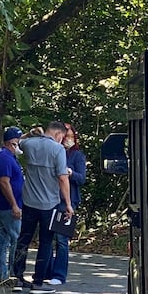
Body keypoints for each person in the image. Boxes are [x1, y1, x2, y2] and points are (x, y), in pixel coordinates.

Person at [11, 121, 74, 294]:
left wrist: (31, 132)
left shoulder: (30, 143)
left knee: (23, 239)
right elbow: (62, 178)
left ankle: (17, 278)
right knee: (46, 242)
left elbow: (18, 141)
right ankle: (38, 282)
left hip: (29, 201)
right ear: (58, 135)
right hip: (49, 204)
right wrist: (68, 204)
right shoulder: (57, 149)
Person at [46, 122, 86, 285]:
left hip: (68, 201)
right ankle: (46, 272)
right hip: (50, 199)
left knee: (62, 239)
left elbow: (82, 178)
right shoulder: (54, 152)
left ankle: (59, 275)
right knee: (47, 237)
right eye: (65, 136)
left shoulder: (77, 156)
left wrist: (70, 173)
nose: (67, 139)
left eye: (71, 136)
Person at [0, 126, 24, 287]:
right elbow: (4, 182)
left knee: (3, 240)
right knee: (16, 238)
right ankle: (13, 273)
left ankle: (0, 275)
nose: (19, 144)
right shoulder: (4, 157)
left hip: (9, 205)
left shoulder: (10, 156)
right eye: (17, 142)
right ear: (11, 142)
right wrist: (14, 205)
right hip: (8, 206)